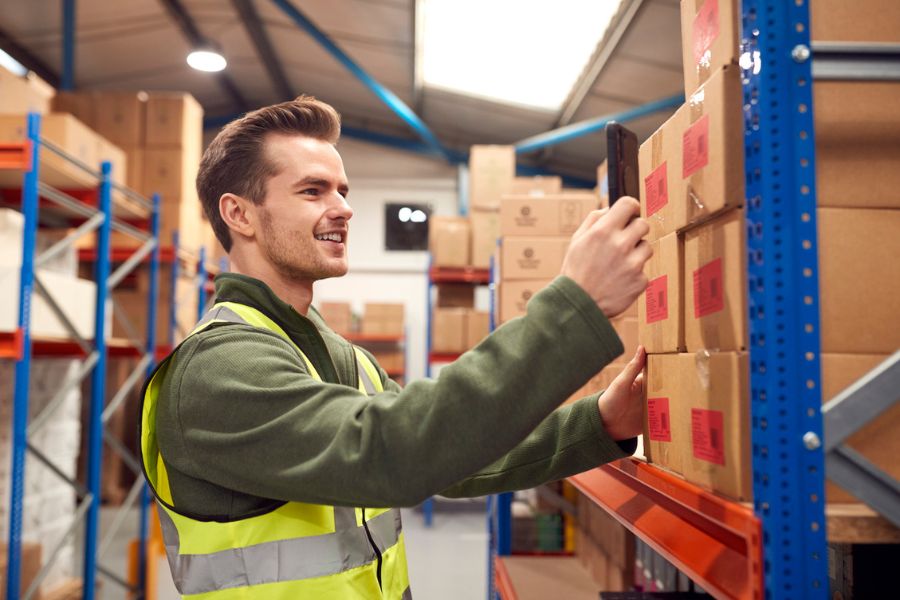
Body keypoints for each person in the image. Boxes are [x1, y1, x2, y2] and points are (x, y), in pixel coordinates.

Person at [139, 96, 652, 599]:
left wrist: (599, 422)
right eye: (313, 191)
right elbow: (395, 455)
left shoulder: (340, 356)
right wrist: (573, 308)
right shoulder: (218, 369)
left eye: (342, 190)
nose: (343, 209)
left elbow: (451, 452)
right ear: (239, 215)